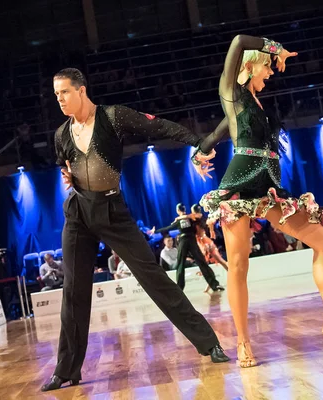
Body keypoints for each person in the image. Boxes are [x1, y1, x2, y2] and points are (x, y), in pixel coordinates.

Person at [42, 68, 229, 392]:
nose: (59, 99)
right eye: (56, 95)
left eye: (64, 93)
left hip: (112, 210)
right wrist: (68, 179)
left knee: (154, 278)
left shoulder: (113, 117)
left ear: (82, 90)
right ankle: (67, 370)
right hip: (77, 214)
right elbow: (66, 168)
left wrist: (199, 142)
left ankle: (208, 342)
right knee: (73, 291)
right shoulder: (61, 134)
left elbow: (159, 126)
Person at [192, 34, 323, 368]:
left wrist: (202, 149)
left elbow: (220, 132)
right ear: (251, 65)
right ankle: (242, 342)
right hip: (238, 189)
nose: (270, 73)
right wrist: (276, 48)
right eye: (266, 67)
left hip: (269, 190)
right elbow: (238, 40)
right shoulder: (232, 92)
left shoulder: (251, 105)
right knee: (239, 265)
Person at [152, 203, 224, 291]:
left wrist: (155, 231)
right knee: (202, 262)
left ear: (178, 211)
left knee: (180, 264)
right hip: (192, 240)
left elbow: (168, 228)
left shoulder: (179, 220)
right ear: (184, 209)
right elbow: (200, 218)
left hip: (183, 241)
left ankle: (179, 288)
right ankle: (214, 284)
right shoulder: (191, 218)